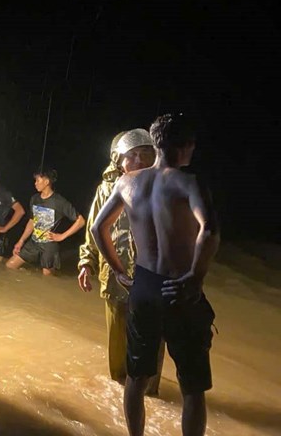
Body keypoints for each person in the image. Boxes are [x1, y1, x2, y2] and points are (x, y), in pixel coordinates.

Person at [91, 113, 219, 436]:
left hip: (144, 286)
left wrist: (119, 272)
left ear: (155, 143)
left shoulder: (127, 182)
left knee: (136, 377)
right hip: (179, 287)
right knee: (191, 387)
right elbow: (210, 230)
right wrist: (194, 277)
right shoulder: (188, 182)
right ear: (186, 146)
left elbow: (97, 228)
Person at [77, 129, 164, 395]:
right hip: (114, 275)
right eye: (132, 155)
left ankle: (150, 392)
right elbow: (95, 227)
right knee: (117, 339)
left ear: (155, 157)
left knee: (153, 338)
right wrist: (86, 263)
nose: (137, 161)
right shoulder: (106, 188)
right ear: (119, 160)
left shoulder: (163, 185)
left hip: (152, 276)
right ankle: (118, 389)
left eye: (144, 155)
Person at [6, 168, 85, 276]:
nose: (35, 183)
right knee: (9, 266)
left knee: (48, 280)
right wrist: (21, 241)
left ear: (47, 182)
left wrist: (62, 236)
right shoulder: (34, 199)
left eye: (38, 180)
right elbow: (32, 221)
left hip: (49, 246)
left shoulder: (59, 201)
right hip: (34, 242)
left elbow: (80, 221)